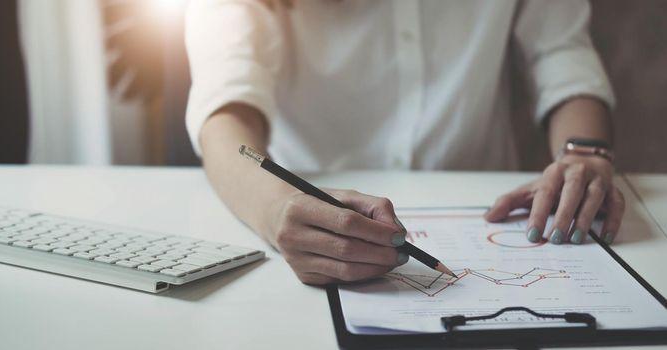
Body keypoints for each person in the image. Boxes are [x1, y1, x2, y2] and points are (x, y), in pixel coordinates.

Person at [184, 0, 624, 285]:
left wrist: (583, 153)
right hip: (313, 220)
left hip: (483, 202)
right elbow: (224, 117)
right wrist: (275, 210)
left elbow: (562, 53)